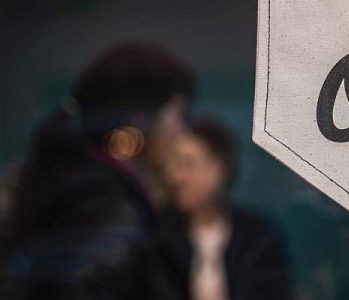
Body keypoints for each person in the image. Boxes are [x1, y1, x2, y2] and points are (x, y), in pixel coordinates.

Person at [9, 43, 194, 299]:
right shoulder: (106, 213)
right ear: (141, 119)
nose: (182, 130)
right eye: (177, 114)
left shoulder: (75, 185)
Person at [157, 118, 292, 300]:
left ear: (219, 169)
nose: (175, 176)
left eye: (187, 164)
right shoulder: (159, 235)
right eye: (171, 165)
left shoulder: (259, 238)